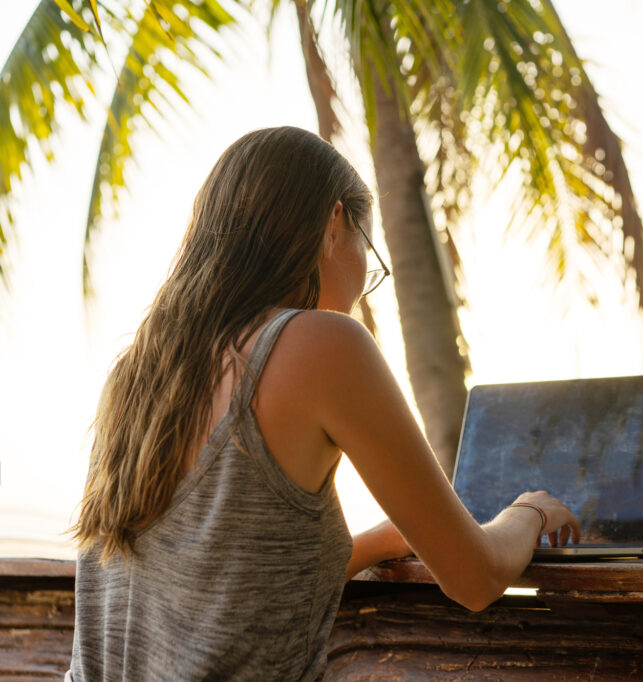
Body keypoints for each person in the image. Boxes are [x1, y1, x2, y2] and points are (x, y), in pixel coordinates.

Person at [67, 126, 580, 680]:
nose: (363, 283)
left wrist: (375, 544)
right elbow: (475, 578)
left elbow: (216, 582)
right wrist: (527, 512)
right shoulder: (320, 344)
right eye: (369, 249)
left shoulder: (139, 375)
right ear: (335, 223)